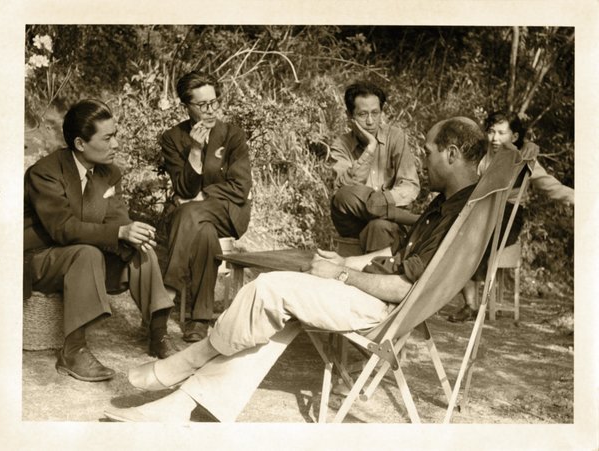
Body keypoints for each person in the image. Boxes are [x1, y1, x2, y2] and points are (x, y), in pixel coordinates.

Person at [104, 116, 487, 422]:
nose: (423, 160)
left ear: (451, 154)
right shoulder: (458, 203)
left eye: (429, 152)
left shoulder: (459, 215)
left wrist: (341, 275)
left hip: (384, 308)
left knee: (267, 289)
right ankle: (181, 405)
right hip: (377, 291)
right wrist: (345, 261)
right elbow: (402, 257)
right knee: (270, 319)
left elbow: (405, 288)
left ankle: (189, 359)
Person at [24, 99, 177, 382]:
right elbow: (62, 229)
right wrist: (118, 233)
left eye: (115, 135)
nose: (116, 144)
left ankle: (159, 336)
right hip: (40, 259)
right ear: (80, 143)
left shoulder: (109, 172)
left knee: (141, 251)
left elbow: (116, 220)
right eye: (108, 138)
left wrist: (130, 232)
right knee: (87, 254)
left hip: (83, 257)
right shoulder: (44, 173)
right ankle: (73, 352)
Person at [448, 111, 575, 322]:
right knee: (457, 233)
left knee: (479, 239)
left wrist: (580, 198)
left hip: (508, 214)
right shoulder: (481, 154)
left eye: (501, 133)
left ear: (514, 136)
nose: (495, 138)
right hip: (480, 209)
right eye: (491, 132)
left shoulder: (524, 159)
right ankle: (469, 304)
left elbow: (550, 186)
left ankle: (474, 300)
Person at [160, 71, 252, 342]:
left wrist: (202, 196)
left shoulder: (233, 135)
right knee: (202, 232)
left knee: (189, 211)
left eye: (214, 102)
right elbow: (183, 189)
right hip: (197, 218)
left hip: (229, 212)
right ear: (186, 106)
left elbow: (240, 188)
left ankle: (167, 294)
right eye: (202, 105)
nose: (211, 110)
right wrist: (195, 152)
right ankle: (199, 319)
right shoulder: (173, 138)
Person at [330, 81, 420, 253]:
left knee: (379, 225)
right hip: (355, 223)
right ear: (349, 116)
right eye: (363, 114)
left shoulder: (395, 137)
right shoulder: (341, 144)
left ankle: (371, 274)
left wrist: (382, 201)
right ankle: (416, 220)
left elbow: (410, 185)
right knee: (343, 195)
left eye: (375, 113)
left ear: (381, 113)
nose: (370, 122)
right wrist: (370, 148)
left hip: (390, 223)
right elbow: (345, 190)